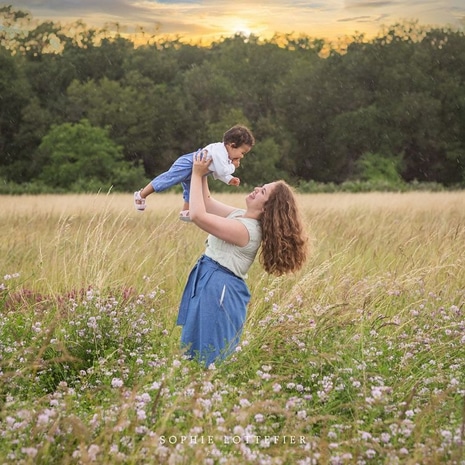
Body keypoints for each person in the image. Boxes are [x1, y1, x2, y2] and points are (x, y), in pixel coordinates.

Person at [176, 150, 309, 367]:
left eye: (263, 191)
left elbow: (198, 215)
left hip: (221, 289)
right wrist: (206, 170)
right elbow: (207, 202)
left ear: (267, 207)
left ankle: (211, 397)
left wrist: (197, 173)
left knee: (212, 356)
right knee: (195, 350)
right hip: (209, 281)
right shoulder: (239, 216)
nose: (257, 189)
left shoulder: (247, 231)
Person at [133, 125, 255, 221]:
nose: (242, 156)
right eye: (242, 152)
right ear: (232, 145)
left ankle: (185, 211)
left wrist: (229, 179)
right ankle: (141, 194)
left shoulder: (225, 155)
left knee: (191, 190)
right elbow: (222, 170)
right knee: (168, 180)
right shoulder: (219, 152)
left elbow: (218, 172)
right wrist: (233, 167)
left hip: (197, 170)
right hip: (188, 163)